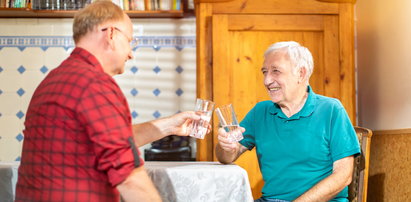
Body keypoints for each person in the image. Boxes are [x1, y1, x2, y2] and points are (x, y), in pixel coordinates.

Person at [15, 1, 201, 201]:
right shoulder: (93, 83)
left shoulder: (55, 78)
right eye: (129, 41)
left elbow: (106, 140)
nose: (131, 53)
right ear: (111, 34)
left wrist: (169, 126)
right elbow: (129, 176)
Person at [215, 41, 360, 202]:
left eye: (276, 71)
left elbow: (343, 176)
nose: (267, 80)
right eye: (264, 72)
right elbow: (226, 157)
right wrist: (226, 147)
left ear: (301, 73)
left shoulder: (331, 110)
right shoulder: (260, 112)